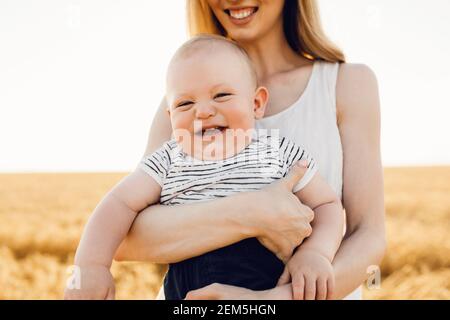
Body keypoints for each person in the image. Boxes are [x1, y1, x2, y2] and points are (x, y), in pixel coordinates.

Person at [115, 0, 386, 300]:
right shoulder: (183, 106)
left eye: (222, 95)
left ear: (258, 102)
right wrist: (254, 212)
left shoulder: (347, 84)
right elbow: (126, 238)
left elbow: (368, 236)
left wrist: (268, 302)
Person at [64, 34, 344, 300]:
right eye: (185, 103)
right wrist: (91, 264)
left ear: (256, 103)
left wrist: (316, 253)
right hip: (187, 286)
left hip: (262, 284)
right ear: (170, 116)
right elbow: (118, 203)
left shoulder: (276, 150)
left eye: (221, 95)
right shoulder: (168, 159)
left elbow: (327, 205)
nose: (204, 111)